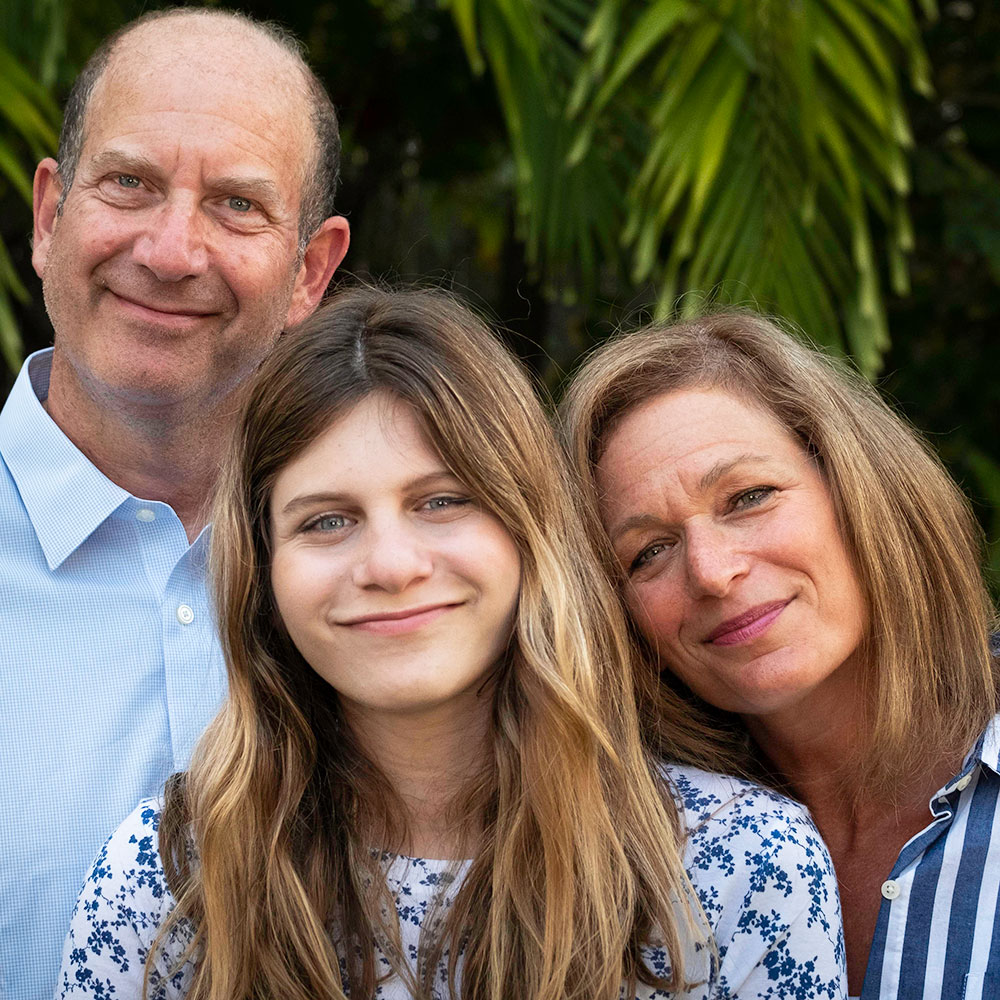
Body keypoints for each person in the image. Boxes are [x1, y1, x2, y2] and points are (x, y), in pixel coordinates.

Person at [56, 287, 845, 999]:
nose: (392, 566)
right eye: (326, 520)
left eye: (440, 501)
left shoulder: (735, 866)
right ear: (263, 571)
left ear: (528, 529)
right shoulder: (172, 878)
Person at [0, 9, 350, 997]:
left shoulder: (407, 572)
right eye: (129, 183)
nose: (168, 249)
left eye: (237, 205)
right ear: (47, 215)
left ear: (309, 271)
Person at [560, 311, 1000, 1000]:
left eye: (748, 497)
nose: (710, 571)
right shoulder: (640, 855)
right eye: (649, 552)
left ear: (860, 485)